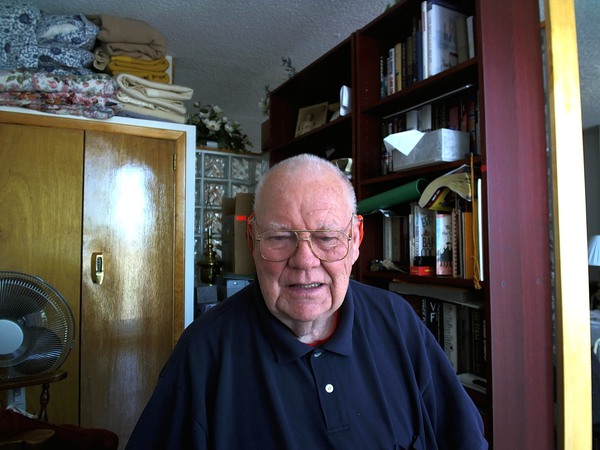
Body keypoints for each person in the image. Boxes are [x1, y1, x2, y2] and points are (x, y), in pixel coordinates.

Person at [126, 154, 488, 450]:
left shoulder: (397, 321)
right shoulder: (203, 352)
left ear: (356, 238)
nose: (304, 261)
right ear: (252, 239)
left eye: (326, 237)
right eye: (280, 237)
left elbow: (464, 439)